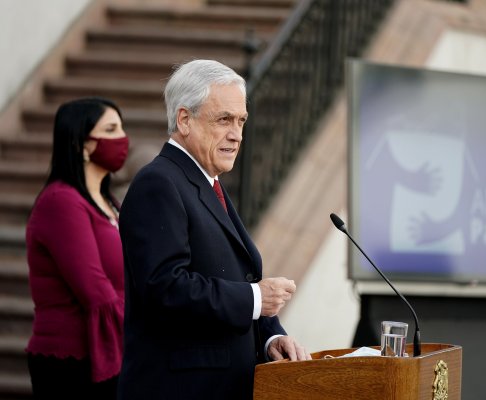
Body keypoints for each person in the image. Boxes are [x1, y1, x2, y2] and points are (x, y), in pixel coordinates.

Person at [117, 59, 311, 400]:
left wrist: (269, 336)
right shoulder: (158, 183)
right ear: (184, 120)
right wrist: (255, 298)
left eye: (241, 121)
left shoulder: (206, 182)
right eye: (224, 119)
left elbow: (235, 278)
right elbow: (165, 289)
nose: (236, 134)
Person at [25, 97, 129, 399]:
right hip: (73, 361)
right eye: (110, 129)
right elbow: (94, 288)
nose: (122, 138)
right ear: (82, 143)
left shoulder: (110, 203)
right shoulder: (61, 201)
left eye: (121, 128)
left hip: (112, 350)